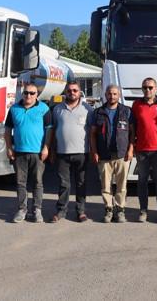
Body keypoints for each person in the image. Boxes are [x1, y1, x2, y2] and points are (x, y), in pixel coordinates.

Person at [4, 83, 53, 223]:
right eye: (26, 93)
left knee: (37, 182)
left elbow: (49, 129)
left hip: (38, 153)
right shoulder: (14, 109)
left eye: (32, 93)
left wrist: (46, 147)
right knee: (20, 183)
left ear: (37, 95)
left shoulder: (43, 109)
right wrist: (9, 147)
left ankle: (37, 210)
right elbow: (7, 129)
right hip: (19, 152)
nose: (28, 95)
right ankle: (22, 209)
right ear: (22, 93)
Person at [49, 81, 93, 223]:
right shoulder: (57, 109)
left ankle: (81, 211)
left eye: (75, 90)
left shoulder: (87, 109)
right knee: (64, 184)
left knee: (81, 183)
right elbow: (53, 129)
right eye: (69, 90)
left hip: (82, 152)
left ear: (79, 92)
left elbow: (93, 132)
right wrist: (51, 149)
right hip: (62, 153)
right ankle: (61, 211)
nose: (72, 93)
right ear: (65, 92)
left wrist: (93, 150)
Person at [130, 77, 157, 224]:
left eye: (150, 87)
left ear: (156, 88)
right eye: (145, 87)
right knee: (142, 180)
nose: (147, 90)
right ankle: (143, 211)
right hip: (141, 150)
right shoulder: (136, 105)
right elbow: (132, 128)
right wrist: (132, 146)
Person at [90, 83, 134, 223]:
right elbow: (92, 134)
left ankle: (120, 210)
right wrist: (95, 151)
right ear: (105, 95)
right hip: (104, 155)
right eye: (109, 93)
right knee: (105, 185)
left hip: (122, 154)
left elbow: (132, 132)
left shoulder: (126, 111)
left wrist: (131, 149)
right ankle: (108, 209)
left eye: (115, 93)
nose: (112, 96)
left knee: (121, 185)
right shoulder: (98, 112)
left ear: (118, 95)